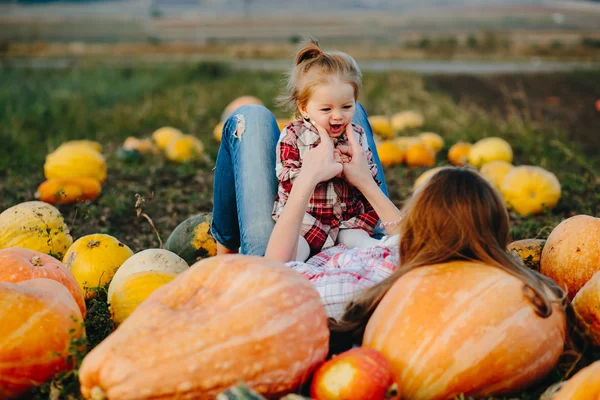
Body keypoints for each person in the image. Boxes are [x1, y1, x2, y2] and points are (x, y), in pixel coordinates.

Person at [272, 39, 384, 261]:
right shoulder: (293, 134)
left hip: (347, 220)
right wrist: (321, 168)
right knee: (296, 254)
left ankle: (378, 257)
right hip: (307, 220)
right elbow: (285, 177)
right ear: (304, 109)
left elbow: (369, 172)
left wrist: (350, 167)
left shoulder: (357, 135)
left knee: (365, 245)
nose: (337, 116)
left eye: (346, 107)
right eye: (326, 109)